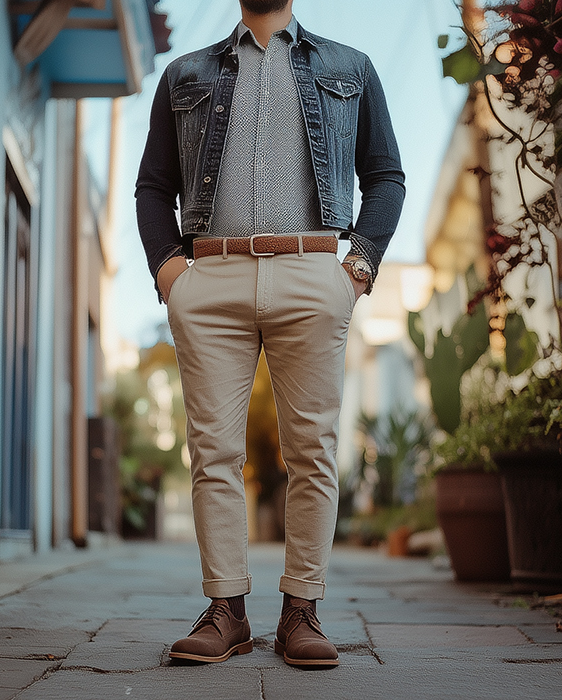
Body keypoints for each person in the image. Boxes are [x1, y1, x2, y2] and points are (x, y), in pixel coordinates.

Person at [135, 0, 404, 668]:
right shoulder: (183, 74)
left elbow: (386, 177)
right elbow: (153, 187)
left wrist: (356, 270)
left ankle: (302, 613)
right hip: (212, 275)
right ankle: (226, 611)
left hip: (314, 270)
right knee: (213, 451)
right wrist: (172, 273)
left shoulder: (351, 67)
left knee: (312, 450)